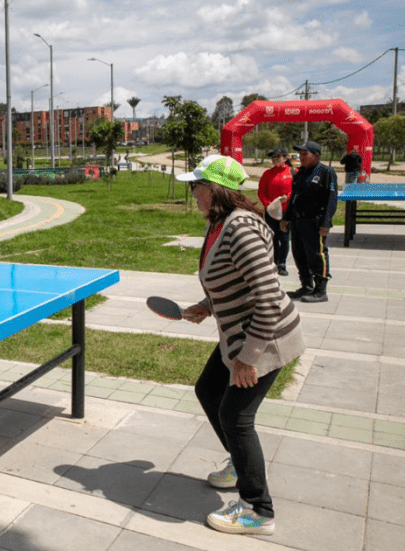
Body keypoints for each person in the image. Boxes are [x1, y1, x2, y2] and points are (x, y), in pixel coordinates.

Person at [176, 155, 306, 536]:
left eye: (196, 186)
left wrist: (249, 360)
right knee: (208, 390)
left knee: (236, 416)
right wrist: (207, 305)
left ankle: (258, 509)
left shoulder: (241, 229)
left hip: (264, 340)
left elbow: (266, 297)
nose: (193, 192)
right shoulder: (220, 223)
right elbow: (235, 281)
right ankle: (239, 463)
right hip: (238, 335)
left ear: (213, 190)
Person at [280, 140, 338, 303]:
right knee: (300, 255)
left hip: (315, 221)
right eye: (300, 154)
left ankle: (320, 290)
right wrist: (286, 217)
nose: (301, 157)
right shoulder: (300, 173)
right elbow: (294, 199)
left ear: (316, 155)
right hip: (298, 221)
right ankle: (306, 286)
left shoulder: (326, 173)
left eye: (305, 154)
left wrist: (326, 222)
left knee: (316, 255)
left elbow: (331, 200)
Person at [257, 147, 293, 276]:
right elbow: (261, 192)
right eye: (273, 157)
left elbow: (296, 189)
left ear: (285, 158)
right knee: (273, 237)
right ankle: (274, 262)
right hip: (271, 212)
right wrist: (268, 204)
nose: (274, 159)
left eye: (278, 156)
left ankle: (282, 264)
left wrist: (287, 198)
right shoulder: (267, 174)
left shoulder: (293, 172)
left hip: (286, 212)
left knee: (284, 238)